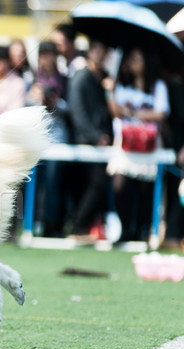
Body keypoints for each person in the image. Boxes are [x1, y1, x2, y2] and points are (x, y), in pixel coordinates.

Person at [106, 48, 169, 242]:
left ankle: (141, 230)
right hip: (126, 144)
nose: (133, 63)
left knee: (145, 189)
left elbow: (161, 113)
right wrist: (109, 90)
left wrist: (134, 114)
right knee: (120, 186)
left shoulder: (157, 86)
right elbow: (116, 111)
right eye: (131, 59)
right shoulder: (122, 85)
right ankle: (125, 228)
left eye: (137, 59)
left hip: (148, 145)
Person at [67, 40, 113, 240]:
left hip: (99, 140)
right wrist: (95, 135)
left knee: (93, 185)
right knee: (96, 184)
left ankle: (84, 225)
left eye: (103, 50)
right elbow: (77, 112)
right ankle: (78, 225)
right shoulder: (82, 77)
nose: (99, 54)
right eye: (96, 50)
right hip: (87, 141)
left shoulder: (103, 78)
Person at [28, 41, 69, 237]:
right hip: (36, 135)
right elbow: (25, 108)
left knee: (54, 182)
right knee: (36, 182)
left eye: (49, 54)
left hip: (57, 137)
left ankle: (52, 224)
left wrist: (54, 102)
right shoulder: (33, 80)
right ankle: (34, 222)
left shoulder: (65, 79)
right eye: (42, 54)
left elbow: (70, 109)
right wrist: (36, 98)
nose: (46, 59)